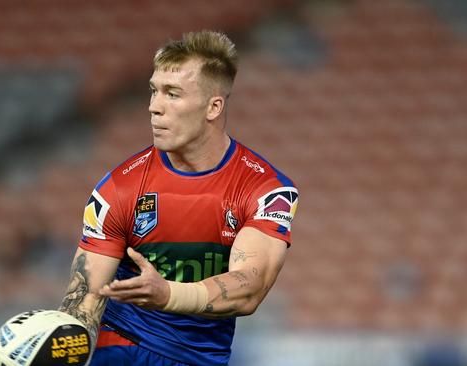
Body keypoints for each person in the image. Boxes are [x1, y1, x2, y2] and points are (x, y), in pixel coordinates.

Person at [59, 30, 299, 366]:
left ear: (213, 107)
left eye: (172, 94)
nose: (154, 107)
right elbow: (83, 299)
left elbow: (249, 287)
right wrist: (57, 348)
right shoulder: (118, 189)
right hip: (121, 349)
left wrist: (167, 294)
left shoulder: (265, 190)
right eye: (153, 92)